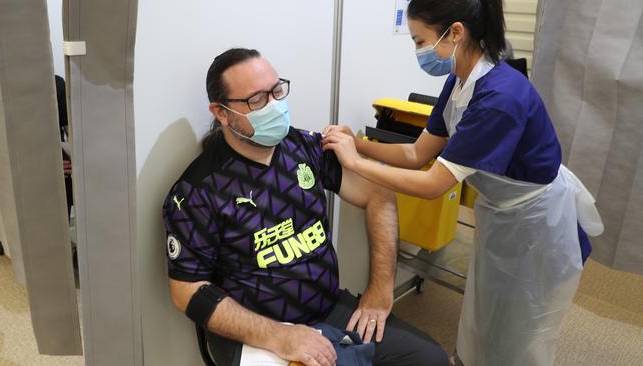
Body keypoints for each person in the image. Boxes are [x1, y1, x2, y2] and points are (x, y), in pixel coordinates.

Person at [322, 1, 603, 365]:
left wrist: (355, 161)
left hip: (536, 223)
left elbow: (433, 184)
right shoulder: (459, 79)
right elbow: (418, 154)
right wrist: (356, 142)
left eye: (420, 41)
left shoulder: (499, 98)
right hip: (502, 213)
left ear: (455, 32)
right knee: (486, 313)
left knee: (521, 327)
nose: (418, 51)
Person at [162, 48, 449, 366]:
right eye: (257, 100)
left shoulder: (305, 148)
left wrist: (380, 290)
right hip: (257, 332)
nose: (274, 105)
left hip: (329, 309)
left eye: (277, 90)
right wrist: (279, 337)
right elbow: (187, 290)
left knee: (431, 359)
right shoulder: (198, 191)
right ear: (222, 113)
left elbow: (379, 196)